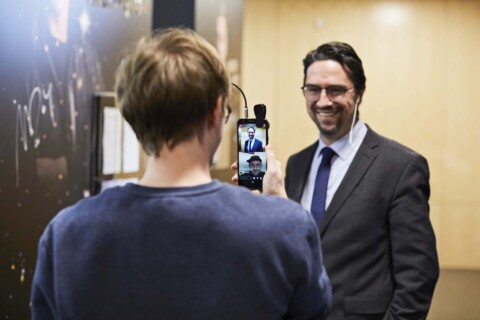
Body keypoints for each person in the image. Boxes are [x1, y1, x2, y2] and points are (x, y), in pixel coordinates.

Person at [30, 28, 331, 319]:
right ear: (216, 111)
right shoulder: (285, 227)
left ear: (132, 116)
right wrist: (279, 202)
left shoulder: (65, 234)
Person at [284, 42, 439, 319]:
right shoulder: (296, 165)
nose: (323, 101)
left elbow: (418, 276)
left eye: (335, 90)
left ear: (359, 94)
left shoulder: (400, 167)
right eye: (313, 89)